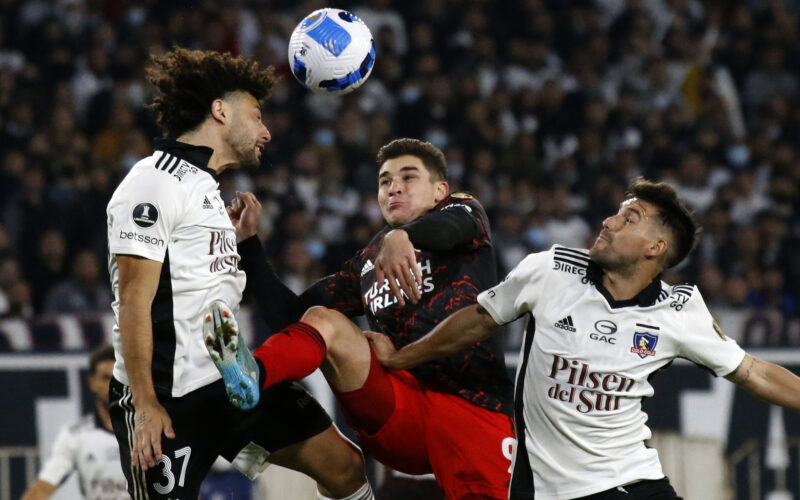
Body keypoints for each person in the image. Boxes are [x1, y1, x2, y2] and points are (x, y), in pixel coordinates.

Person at [367, 178, 800, 500]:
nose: (609, 222)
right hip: (547, 490)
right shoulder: (551, 270)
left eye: (629, 219)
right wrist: (402, 358)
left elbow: (753, 373)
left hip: (635, 482)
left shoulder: (680, 310)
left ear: (655, 248)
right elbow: (480, 319)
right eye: (617, 212)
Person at [105, 47, 372, 500]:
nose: (266, 131)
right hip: (169, 397)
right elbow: (134, 300)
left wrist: (246, 245)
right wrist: (147, 406)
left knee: (346, 467)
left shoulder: (209, 192)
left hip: (230, 386)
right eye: (257, 115)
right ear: (220, 111)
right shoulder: (154, 182)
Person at [208, 138, 516, 500]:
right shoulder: (368, 262)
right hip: (399, 409)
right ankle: (250, 376)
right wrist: (248, 243)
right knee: (322, 320)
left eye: (408, 177)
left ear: (440, 191)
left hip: (474, 410)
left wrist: (402, 235)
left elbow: (447, 230)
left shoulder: (466, 212)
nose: (394, 186)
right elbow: (292, 320)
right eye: (385, 181)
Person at [21, 344, 128, 500]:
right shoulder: (75, 435)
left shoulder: (149, 430)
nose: (113, 386)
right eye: (106, 378)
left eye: (119, 378)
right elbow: (44, 487)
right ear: (92, 382)